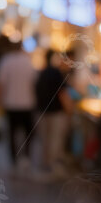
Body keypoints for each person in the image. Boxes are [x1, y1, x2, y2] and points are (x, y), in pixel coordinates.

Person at [0, 40, 37, 172]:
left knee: (12, 132)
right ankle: (26, 156)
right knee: (28, 132)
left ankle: (14, 159)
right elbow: (34, 83)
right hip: (27, 103)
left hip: (10, 103)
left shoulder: (5, 61)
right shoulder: (28, 62)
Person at [36, 50, 73, 178]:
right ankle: (52, 166)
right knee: (55, 140)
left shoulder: (42, 72)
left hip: (42, 111)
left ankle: (46, 164)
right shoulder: (57, 73)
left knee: (45, 139)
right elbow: (62, 94)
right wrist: (69, 110)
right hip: (56, 112)